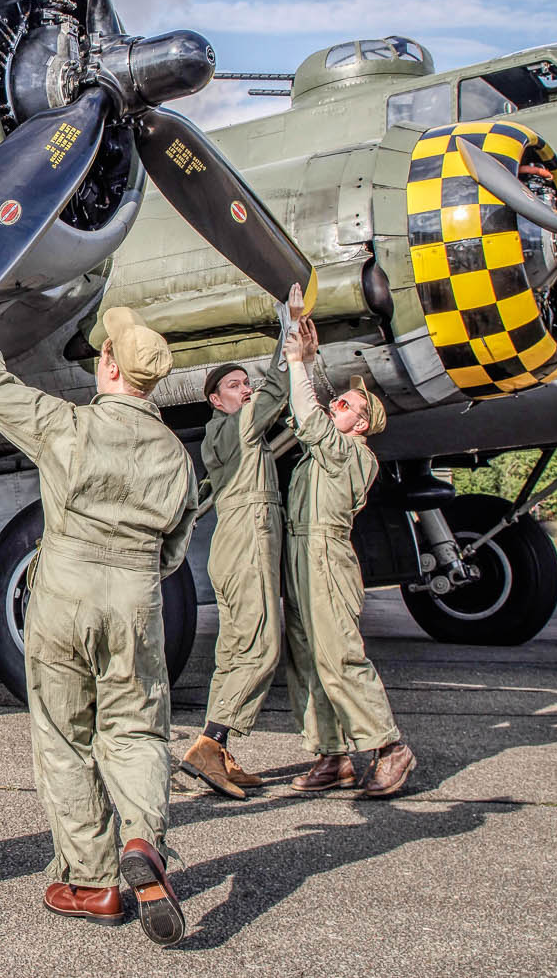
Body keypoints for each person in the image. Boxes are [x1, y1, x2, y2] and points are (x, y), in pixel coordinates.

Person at [0, 290, 200, 945]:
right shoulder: (177, 459)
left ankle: (90, 883)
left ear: (113, 372)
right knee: (138, 732)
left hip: (61, 595)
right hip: (134, 599)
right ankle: (144, 840)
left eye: (104, 352)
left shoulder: (68, 424)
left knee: (65, 740)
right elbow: (175, 550)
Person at [278, 316, 415, 798]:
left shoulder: (353, 454)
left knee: (339, 656)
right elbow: (310, 415)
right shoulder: (326, 452)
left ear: (360, 424)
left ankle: (388, 747)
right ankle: (332, 755)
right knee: (307, 659)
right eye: (339, 397)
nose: (337, 402)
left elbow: (311, 419)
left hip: (325, 557)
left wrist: (297, 364)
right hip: (299, 554)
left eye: (347, 403)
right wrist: (311, 362)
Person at [178, 291, 298, 800]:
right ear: (215, 399)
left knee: (234, 652)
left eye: (245, 383)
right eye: (233, 385)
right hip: (247, 540)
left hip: (237, 542)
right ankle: (211, 742)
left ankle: (219, 751)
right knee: (263, 646)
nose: (245, 390)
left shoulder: (233, 434)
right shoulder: (233, 428)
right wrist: (287, 335)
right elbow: (276, 393)